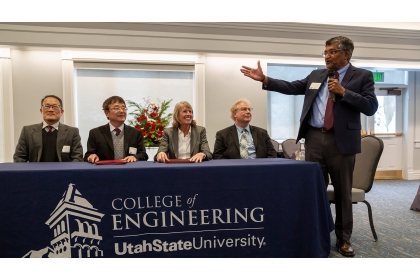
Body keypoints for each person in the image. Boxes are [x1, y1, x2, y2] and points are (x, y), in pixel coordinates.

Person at [240, 36, 378, 257]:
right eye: (325, 52)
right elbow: (292, 87)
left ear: (346, 54)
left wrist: (344, 92)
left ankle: (343, 239)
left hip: (341, 141)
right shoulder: (317, 75)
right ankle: (318, 231)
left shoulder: (362, 76)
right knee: (314, 190)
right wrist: (264, 79)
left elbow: (371, 106)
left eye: (332, 52)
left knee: (343, 192)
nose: (327, 56)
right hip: (314, 138)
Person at [14, 95, 83, 162]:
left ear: (62, 112)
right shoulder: (27, 131)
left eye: (55, 106)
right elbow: (19, 157)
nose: (50, 110)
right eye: (47, 106)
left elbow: (77, 157)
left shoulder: (72, 132)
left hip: (63, 173)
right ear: (41, 111)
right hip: (35, 172)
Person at [84, 96, 148, 163]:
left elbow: (143, 155)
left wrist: (135, 157)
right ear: (107, 113)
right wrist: (91, 156)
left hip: (129, 170)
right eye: (116, 108)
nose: (121, 111)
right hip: (105, 171)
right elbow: (87, 155)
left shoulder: (135, 133)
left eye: (123, 108)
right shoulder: (95, 133)